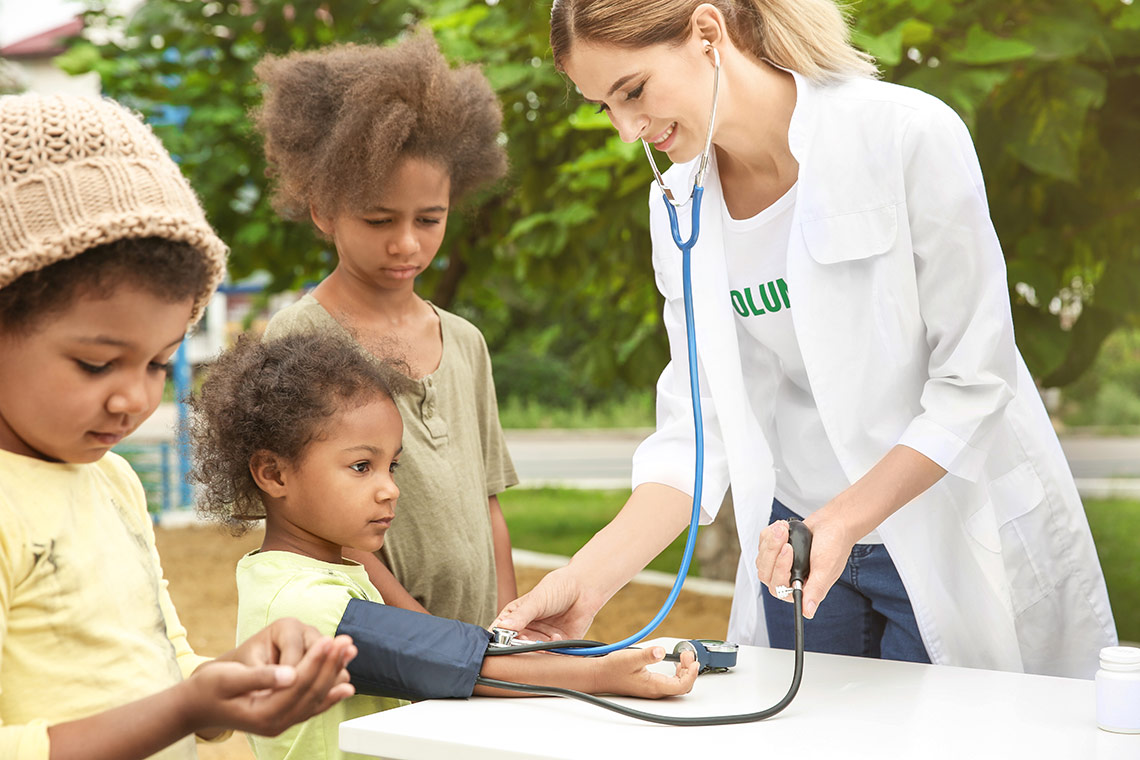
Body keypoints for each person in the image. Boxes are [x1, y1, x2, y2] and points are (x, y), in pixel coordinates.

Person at [494, 0, 1118, 678]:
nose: (625, 130)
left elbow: (976, 383)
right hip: (797, 542)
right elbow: (696, 435)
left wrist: (844, 519)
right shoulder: (679, 203)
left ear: (708, 32)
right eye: (603, 107)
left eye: (634, 91)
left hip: (941, 525)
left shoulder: (907, 135)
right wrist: (585, 582)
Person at [0, 93, 358, 760]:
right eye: (96, 363)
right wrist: (182, 709)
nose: (133, 398)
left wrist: (228, 680)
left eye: (160, 362)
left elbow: (160, 670)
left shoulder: (112, 481)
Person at [189, 331, 699, 760]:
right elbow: (458, 662)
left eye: (393, 465)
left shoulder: (293, 573)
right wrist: (603, 674)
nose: (389, 488)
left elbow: (442, 650)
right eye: (361, 466)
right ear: (273, 474)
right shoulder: (304, 604)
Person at [252, 35, 519, 629]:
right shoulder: (302, 335)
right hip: (386, 643)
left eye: (429, 219)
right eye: (379, 220)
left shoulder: (467, 342)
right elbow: (313, 518)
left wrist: (507, 630)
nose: (407, 243)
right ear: (323, 210)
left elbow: (488, 503)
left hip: (476, 648)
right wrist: (425, 634)